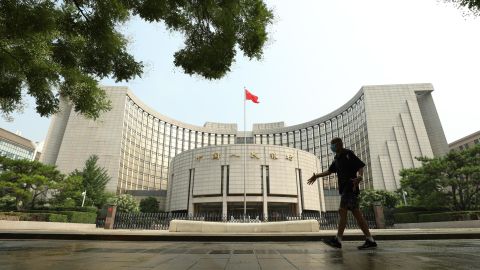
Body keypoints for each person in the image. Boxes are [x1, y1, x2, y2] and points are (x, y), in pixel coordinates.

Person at [307, 137, 377, 250]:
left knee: (342, 211)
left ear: (339, 144)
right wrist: (316, 176)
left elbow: (360, 166)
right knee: (358, 215)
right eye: (331, 145)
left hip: (350, 186)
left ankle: (338, 240)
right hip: (345, 189)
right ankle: (370, 240)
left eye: (333, 144)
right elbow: (329, 171)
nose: (332, 147)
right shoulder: (337, 158)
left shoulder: (348, 154)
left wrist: (359, 177)